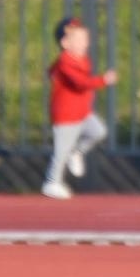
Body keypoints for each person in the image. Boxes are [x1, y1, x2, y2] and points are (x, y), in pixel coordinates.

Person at [42, 16, 117, 200]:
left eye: (85, 38)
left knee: (98, 131)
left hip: (82, 112)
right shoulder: (66, 61)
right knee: (61, 152)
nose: (85, 43)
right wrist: (103, 80)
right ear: (65, 43)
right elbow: (80, 83)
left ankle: (77, 152)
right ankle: (52, 182)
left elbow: (51, 71)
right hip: (66, 115)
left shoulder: (80, 59)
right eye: (79, 39)